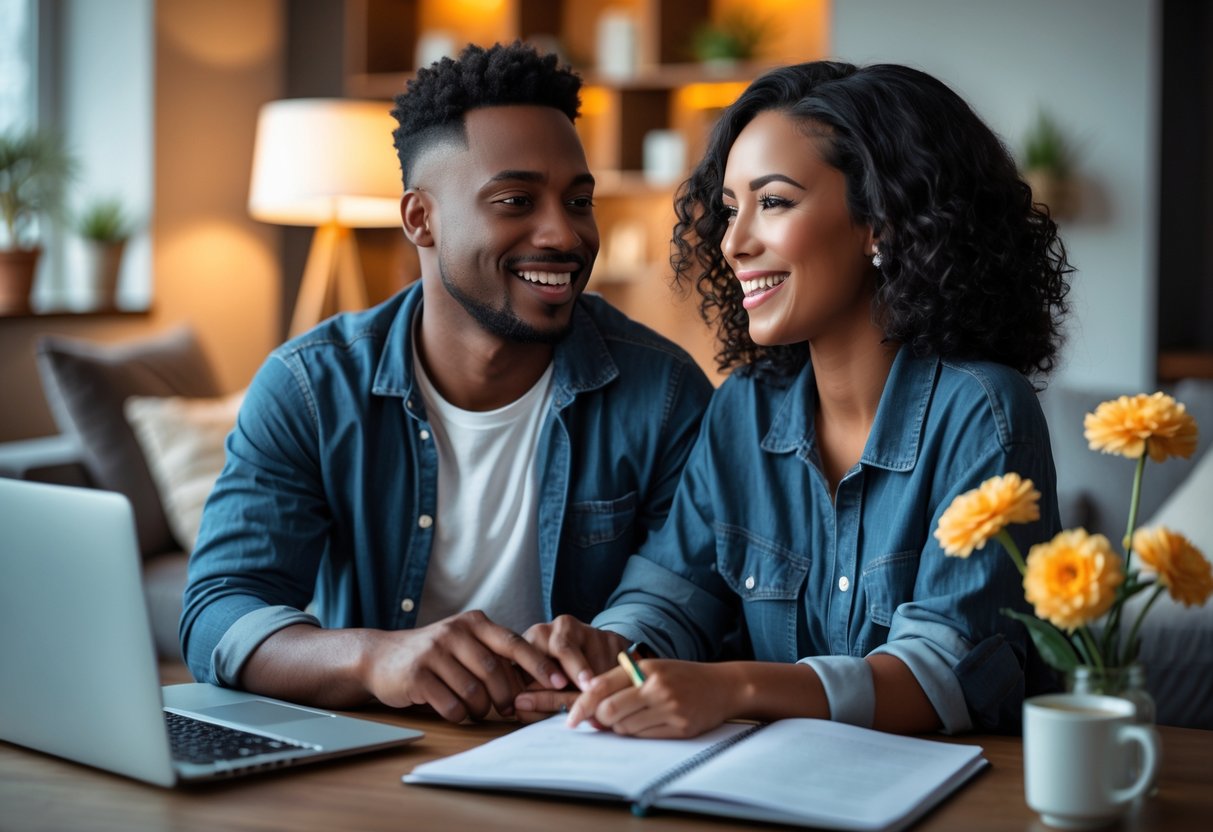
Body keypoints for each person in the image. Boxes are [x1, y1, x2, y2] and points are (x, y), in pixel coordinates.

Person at [519, 61, 1072, 738]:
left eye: (772, 202)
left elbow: (942, 673)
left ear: (881, 221)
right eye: (728, 210)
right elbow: (669, 598)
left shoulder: (982, 411)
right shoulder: (743, 411)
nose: (733, 242)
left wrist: (733, 686)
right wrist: (614, 650)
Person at [180, 42, 713, 724]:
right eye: (515, 200)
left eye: (578, 201)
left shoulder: (665, 393)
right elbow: (220, 611)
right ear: (419, 219)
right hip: (377, 758)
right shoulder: (310, 388)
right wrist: (376, 658)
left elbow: (683, 595)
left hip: (578, 748)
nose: (564, 233)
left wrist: (614, 641)